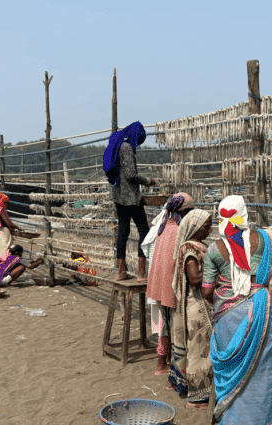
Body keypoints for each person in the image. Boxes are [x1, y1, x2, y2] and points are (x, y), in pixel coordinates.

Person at [203, 195, 272, 424]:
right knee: (262, 370)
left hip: (228, 320)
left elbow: (205, 290)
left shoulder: (214, 249)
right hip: (260, 311)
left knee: (231, 371)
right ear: (244, 214)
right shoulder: (264, 238)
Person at [166, 209, 213, 409]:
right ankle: (197, 398)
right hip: (197, 307)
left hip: (196, 306)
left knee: (194, 348)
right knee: (199, 352)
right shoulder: (190, 249)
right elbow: (194, 279)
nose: (209, 230)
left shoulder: (194, 246)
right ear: (195, 227)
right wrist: (218, 276)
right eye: (206, 226)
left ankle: (181, 383)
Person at [145, 193, 196, 376]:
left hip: (158, 283)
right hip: (170, 285)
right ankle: (170, 366)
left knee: (164, 325)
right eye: (190, 211)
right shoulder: (179, 230)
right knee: (175, 327)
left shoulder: (163, 226)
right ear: (184, 211)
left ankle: (162, 361)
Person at [103, 121, 156, 281]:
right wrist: (148, 180)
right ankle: (141, 273)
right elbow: (131, 174)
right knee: (144, 231)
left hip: (119, 196)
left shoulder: (118, 144)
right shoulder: (126, 148)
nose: (138, 144)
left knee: (123, 232)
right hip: (130, 197)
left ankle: (121, 271)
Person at [0, 193, 21, 259]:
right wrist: (18, 227)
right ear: (0, 201)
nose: (6, 205)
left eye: (7, 203)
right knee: (6, 249)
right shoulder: (1, 210)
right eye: (5, 202)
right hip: (3, 232)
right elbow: (8, 223)